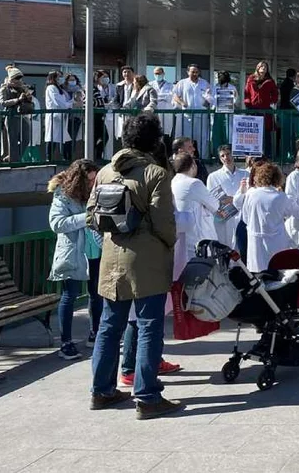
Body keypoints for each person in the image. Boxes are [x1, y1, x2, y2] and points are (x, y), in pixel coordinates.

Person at [87, 113, 181, 419]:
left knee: (108, 327)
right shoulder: (156, 174)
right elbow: (165, 222)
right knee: (149, 326)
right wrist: (169, 243)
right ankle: (147, 396)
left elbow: (91, 217)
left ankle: (101, 391)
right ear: (154, 141)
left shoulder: (104, 172)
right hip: (147, 261)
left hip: (111, 258)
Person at [48, 159, 102, 359]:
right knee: (69, 296)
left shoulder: (94, 193)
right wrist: (85, 218)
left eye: (94, 180)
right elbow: (57, 223)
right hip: (73, 251)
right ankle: (66, 342)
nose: (92, 184)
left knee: (97, 295)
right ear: (79, 180)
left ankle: (95, 333)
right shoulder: (62, 195)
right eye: (88, 180)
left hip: (94, 249)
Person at [170, 152, 218, 275]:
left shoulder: (173, 182)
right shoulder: (194, 183)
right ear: (192, 166)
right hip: (199, 238)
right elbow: (215, 206)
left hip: (182, 237)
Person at [206, 144, 247, 248]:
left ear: (233, 155)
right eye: (222, 156)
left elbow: (249, 195)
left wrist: (233, 199)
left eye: (228, 154)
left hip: (242, 216)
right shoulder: (213, 176)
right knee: (225, 246)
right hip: (224, 217)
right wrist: (237, 199)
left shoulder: (245, 174)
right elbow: (214, 198)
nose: (226, 158)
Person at [172, 64, 212, 159]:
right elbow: (175, 95)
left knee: (202, 139)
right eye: (192, 72)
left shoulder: (204, 83)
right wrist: (182, 103)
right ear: (188, 72)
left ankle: (203, 159)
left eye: (196, 72)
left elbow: (210, 96)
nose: (194, 74)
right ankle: (184, 159)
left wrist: (207, 102)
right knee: (185, 140)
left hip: (201, 116)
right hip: (187, 116)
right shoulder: (182, 83)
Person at [244, 61, 279, 159]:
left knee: (266, 133)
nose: (263, 68)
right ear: (257, 67)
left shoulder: (270, 81)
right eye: (261, 66)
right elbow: (247, 93)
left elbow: (275, 94)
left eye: (265, 66)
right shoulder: (251, 79)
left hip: (265, 110)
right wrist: (248, 104)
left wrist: (270, 101)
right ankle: (253, 156)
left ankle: (267, 156)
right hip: (253, 109)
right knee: (254, 133)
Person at [44, 70, 73, 161]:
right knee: (52, 138)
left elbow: (64, 101)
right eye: (59, 76)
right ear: (54, 78)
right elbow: (60, 102)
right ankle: (49, 159)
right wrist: (71, 104)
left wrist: (70, 102)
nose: (61, 79)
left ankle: (66, 158)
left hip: (61, 116)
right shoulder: (51, 87)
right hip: (55, 116)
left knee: (64, 138)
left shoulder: (59, 88)